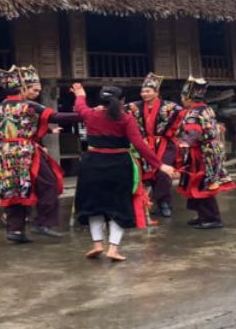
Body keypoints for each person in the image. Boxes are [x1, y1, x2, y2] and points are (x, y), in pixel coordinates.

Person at [72, 83, 176, 262]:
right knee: (118, 206)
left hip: (92, 164)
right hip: (119, 165)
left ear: (101, 100)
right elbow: (139, 144)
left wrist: (80, 94)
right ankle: (113, 249)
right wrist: (160, 165)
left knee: (94, 206)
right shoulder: (126, 118)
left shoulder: (91, 114)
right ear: (122, 101)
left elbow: (80, 106)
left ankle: (97, 245)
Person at [0, 65, 81, 243]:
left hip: (5, 153)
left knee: (14, 190)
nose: (36, 93)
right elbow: (55, 117)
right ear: (22, 87)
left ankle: (15, 230)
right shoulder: (29, 106)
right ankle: (43, 222)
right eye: (33, 89)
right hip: (26, 151)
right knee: (49, 183)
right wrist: (85, 115)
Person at [176, 76, 236, 229]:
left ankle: (212, 219)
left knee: (203, 184)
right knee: (200, 183)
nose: (182, 100)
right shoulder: (206, 108)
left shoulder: (193, 114)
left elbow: (193, 134)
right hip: (211, 150)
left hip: (201, 153)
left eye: (183, 97)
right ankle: (202, 215)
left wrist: (181, 146)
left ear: (188, 99)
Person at [124, 72, 182, 218]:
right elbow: (116, 110)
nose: (144, 94)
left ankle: (164, 203)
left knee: (163, 172)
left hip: (164, 143)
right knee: (147, 174)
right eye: (143, 91)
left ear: (156, 92)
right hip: (144, 144)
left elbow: (184, 115)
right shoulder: (134, 106)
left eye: (148, 91)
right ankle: (152, 203)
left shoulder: (170, 106)